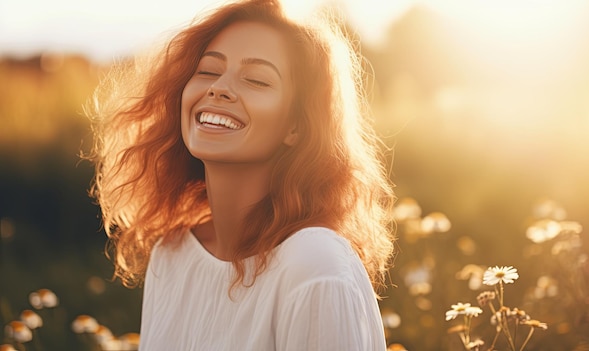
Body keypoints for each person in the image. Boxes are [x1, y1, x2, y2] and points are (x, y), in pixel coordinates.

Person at [85, 0, 395, 349]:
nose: (219, 87)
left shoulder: (316, 268)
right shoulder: (170, 255)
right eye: (207, 71)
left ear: (296, 125)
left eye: (256, 80)